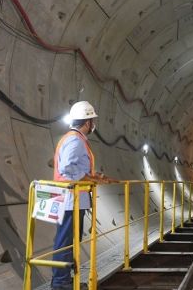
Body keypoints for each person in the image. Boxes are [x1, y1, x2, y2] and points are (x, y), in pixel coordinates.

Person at [51, 101, 116, 290]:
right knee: (65, 242)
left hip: (70, 199)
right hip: (70, 199)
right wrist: (88, 178)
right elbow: (67, 167)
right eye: (92, 120)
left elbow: (73, 167)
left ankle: (64, 279)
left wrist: (93, 176)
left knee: (68, 241)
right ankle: (60, 284)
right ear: (87, 122)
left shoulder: (72, 138)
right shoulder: (75, 140)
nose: (93, 124)